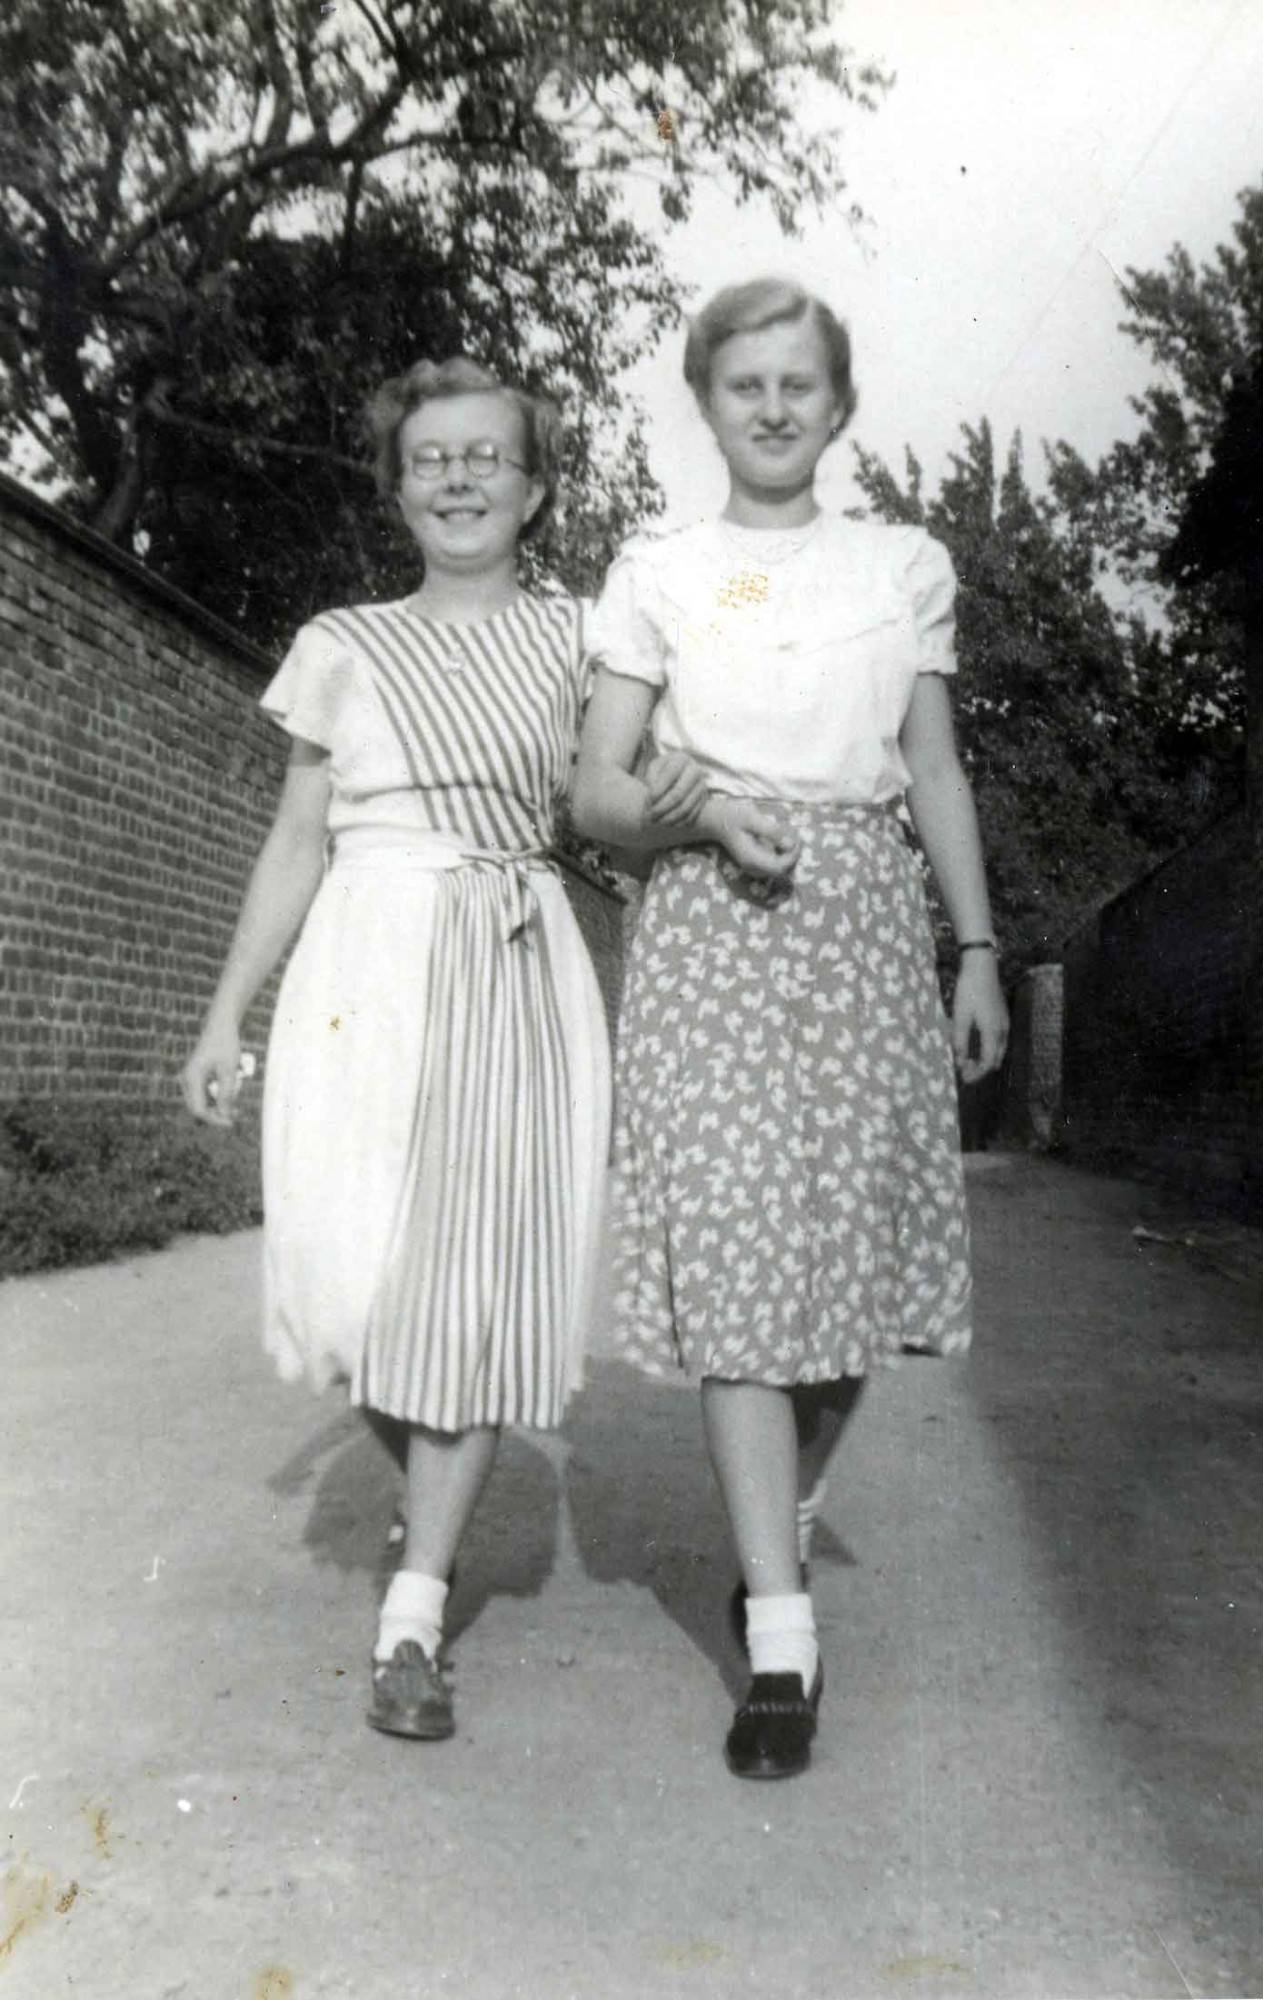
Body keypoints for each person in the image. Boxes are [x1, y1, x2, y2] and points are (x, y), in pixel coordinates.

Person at [181, 357, 703, 1741]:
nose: (459, 478)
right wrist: (228, 1009)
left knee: (469, 1295)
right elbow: (296, 841)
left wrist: (685, 800)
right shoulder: (340, 643)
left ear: (534, 491)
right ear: (396, 487)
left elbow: (626, 796)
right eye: (431, 458)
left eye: (488, 457)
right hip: (364, 963)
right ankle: (433, 1489)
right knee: (348, 1289)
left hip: (513, 957)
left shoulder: (583, 640)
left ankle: (412, 1621)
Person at [572, 279, 1009, 1780]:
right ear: (706, 403)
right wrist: (704, 816)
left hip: (866, 927)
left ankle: (789, 1513)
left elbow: (933, 772)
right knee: (741, 1262)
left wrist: (977, 952)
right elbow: (599, 790)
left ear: (839, 405)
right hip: (710, 927)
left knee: (847, 1275)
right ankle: (779, 1640)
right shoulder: (660, 569)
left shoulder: (901, 565)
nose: (771, 407)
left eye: (797, 384)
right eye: (743, 383)